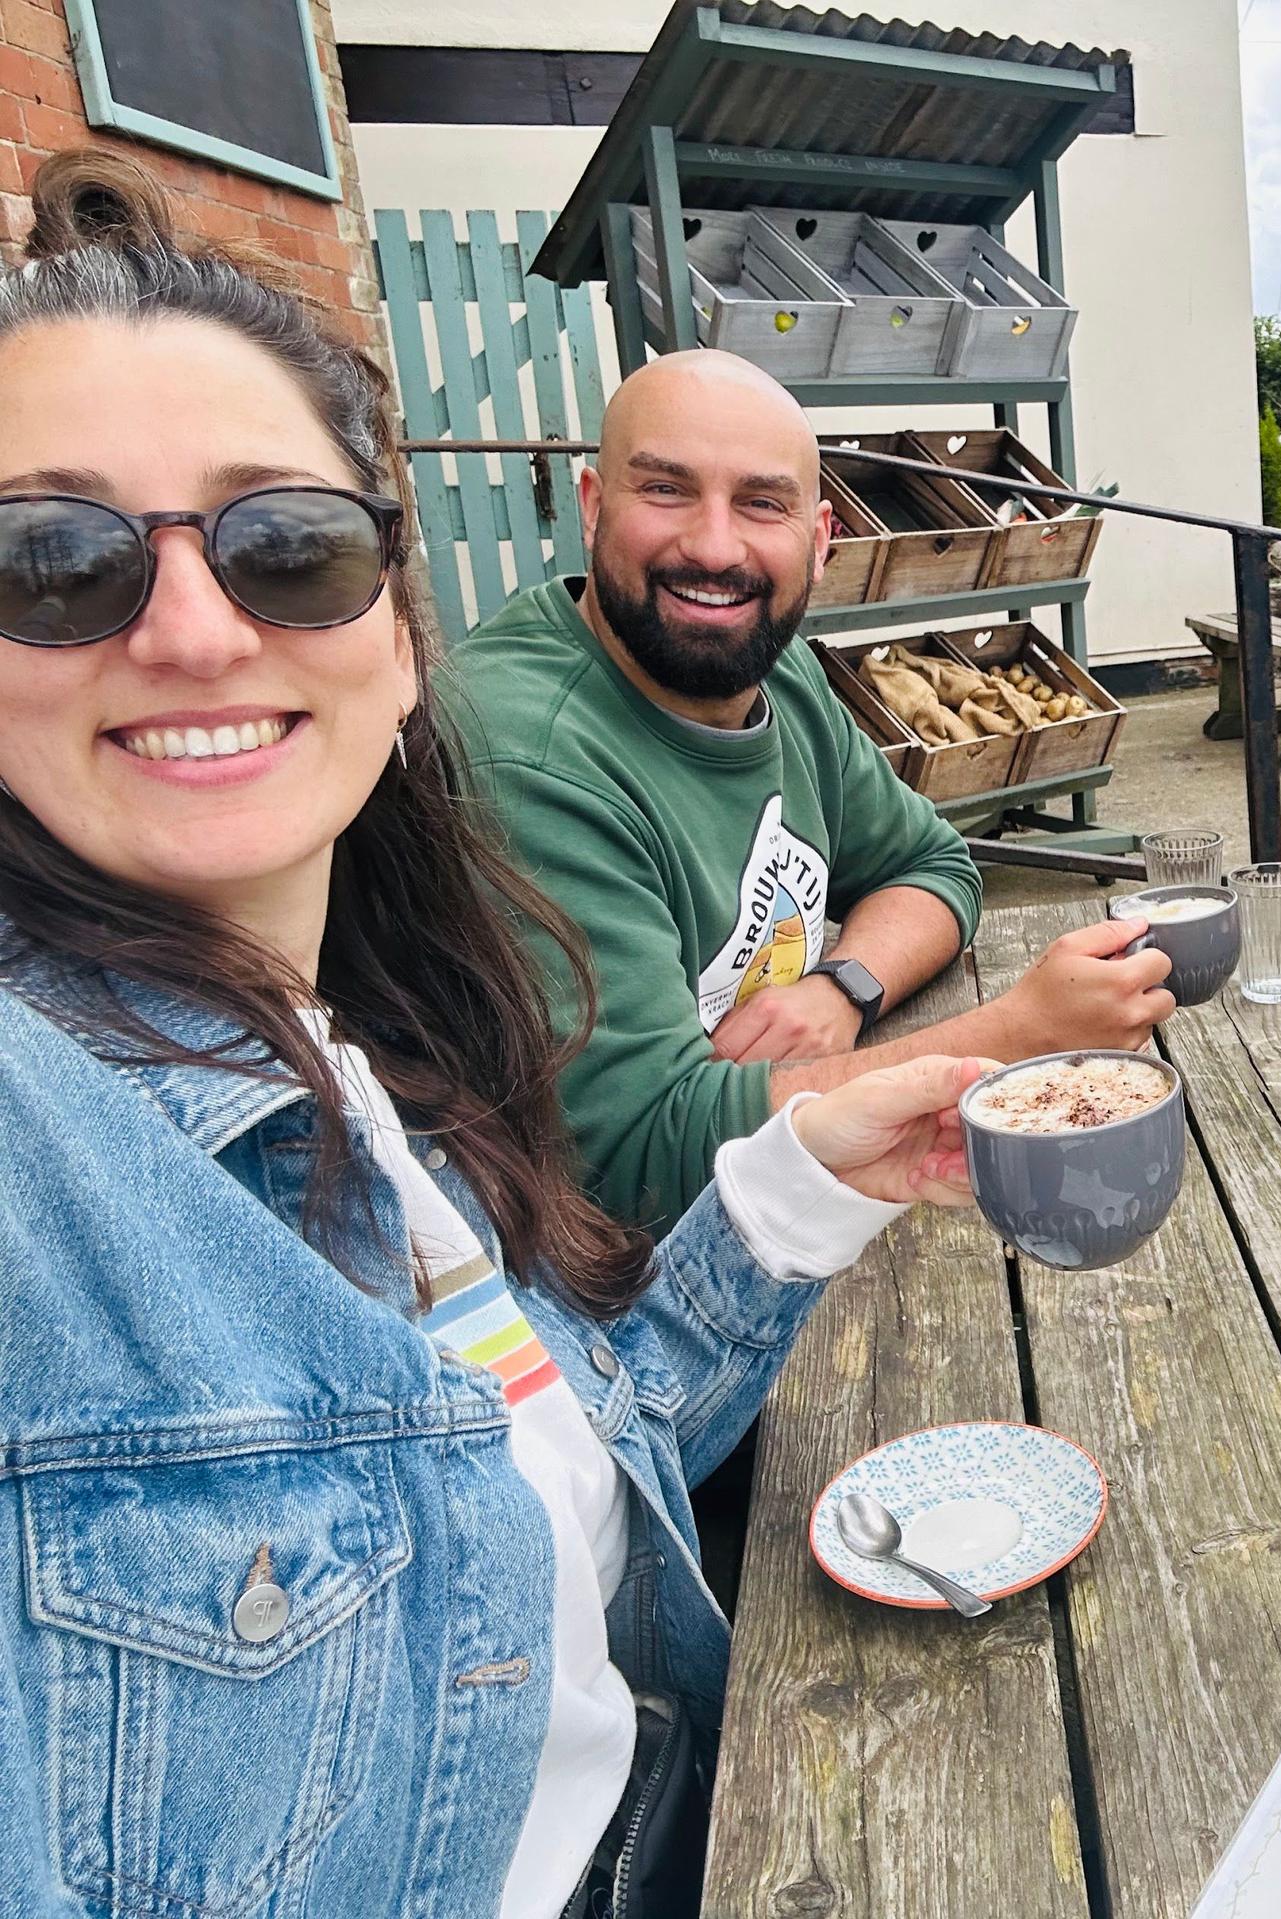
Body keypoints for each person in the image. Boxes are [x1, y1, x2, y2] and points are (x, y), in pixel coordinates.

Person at [0, 153, 993, 1914]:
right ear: (587, 511)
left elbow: (541, 1457)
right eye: (52, 561)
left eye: (285, 546)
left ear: (396, 630)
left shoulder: (364, 1035)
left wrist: (799, 1180)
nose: (193, 631)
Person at [448, 351, 1171, 1231]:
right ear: (595, 506)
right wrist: (1020, 1037)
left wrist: (844, 985)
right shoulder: (524, 755)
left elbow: (932, 864)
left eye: (762, 503)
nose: (715, 547)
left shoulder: (775, 672)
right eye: (667, 490)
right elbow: (640, 1159)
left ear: (820, 539)